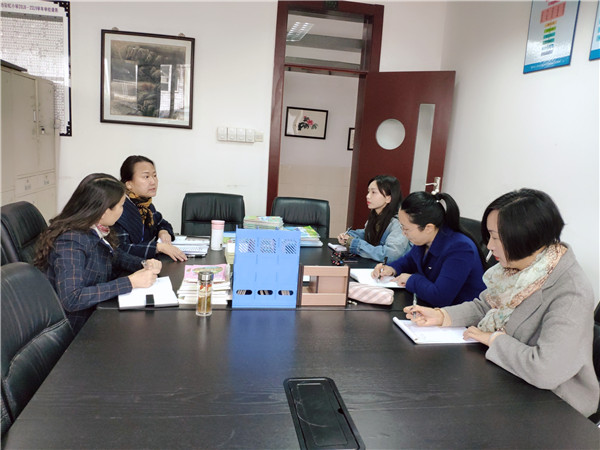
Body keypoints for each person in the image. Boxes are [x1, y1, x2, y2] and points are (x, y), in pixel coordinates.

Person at [403, 188, 599, 418]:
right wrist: (442, 316)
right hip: (509, 377)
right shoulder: (518, 269)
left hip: (554, 406)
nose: (489, 245)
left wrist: (494, 339)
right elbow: (485, 305)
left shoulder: (571, 292)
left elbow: (545, 370)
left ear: (525, 237)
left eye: (496, 237)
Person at [34, 173, 162, 334]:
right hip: (79, 328)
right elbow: (72, 298)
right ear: (103, 211)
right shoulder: (71, 241)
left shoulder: (95, 228)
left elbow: (114, 255)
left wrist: (144, 263)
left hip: (97, 312)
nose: (122, 212)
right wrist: (130, 282)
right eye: (121, 206)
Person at [374, 191, 485, 306]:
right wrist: (392, 269)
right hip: (430, 307)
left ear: (428, 228)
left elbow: (440, 297)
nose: (403, 233)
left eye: (406, 229)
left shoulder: (460, 249)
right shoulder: (425, 239)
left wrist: (411, 279)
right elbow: (409, 261)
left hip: (460, 313)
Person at [114, 155, 186, 261]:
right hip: (129, 268)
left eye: (154, 175)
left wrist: (163, 232)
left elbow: (161, 223)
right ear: (129, 184)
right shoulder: (118, 209)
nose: (153, 181)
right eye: (146, 177)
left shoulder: (146, 205)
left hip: (148, 264)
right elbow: (121, 249)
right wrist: (158, 247)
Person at [337, 175, 410, 262]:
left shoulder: (399, 222)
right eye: (368, 192)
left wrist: (355, 244)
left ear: (388, 198)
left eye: (373, 192)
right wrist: (349, 236)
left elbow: (390, 255)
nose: (368, 196)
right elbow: (368, 235)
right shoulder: (376, 215)